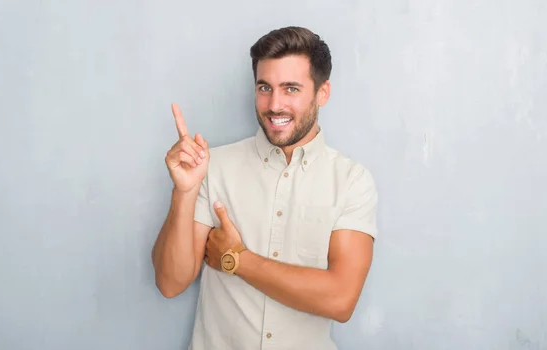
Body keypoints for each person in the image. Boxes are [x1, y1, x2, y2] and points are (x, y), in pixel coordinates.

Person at [151, 26, 378, 350]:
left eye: (291, 89)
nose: (274, 104)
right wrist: (184, 191)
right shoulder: (214, 166)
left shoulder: (352, 181)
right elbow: (170, 283)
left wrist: (237, 259)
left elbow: (340, 299)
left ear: (322, 92)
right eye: (264, 87)